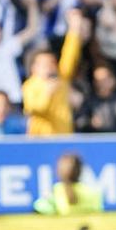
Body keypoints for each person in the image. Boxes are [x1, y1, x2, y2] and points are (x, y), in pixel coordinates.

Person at [23, 8, 85, 136]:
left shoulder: (61, 79)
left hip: (64, 137)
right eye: (44, 64)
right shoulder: (30, 85)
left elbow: (70, 54)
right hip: (40, 141)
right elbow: (32, 108)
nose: (49, 67)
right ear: (34, 68)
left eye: (51, 63)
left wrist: (74, 28)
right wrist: (47, 93)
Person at [76, 64, 116, 136]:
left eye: (104, 80)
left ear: (113, 81)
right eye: (98, 81)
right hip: (94, 140)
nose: (101, 84)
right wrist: (90, 122)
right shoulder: (89, 101)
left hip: (115, 139)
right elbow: (79, 122)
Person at [34, 153, 104, 213]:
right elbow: (39, 206)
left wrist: (66, 181)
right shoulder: (58, 189)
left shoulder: (91, 192)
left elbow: (67, 208)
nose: (60, 169)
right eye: (61, 165)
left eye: (66, 166)